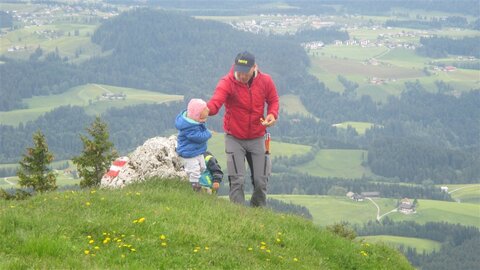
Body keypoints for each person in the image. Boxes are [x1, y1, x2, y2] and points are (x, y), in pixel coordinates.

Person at [207, 51, 279, 207]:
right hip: (234, 138)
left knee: (261, 180)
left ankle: (257, 212)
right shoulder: (227, 82)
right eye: (239, 71)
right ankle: (238, 214)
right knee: (237, 179)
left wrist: (272, 114)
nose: (241, 75)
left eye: (245, 72)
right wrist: (207, 110)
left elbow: (273, 100)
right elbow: (216, 101)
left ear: (254, 67)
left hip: (258, 137)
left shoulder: (265, 81)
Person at [175, 98, 216, 192]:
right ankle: (194, 185)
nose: (204, 120)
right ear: (196, 115)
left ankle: (192, 180)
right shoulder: (188, 127)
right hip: (188, 153)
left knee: (202, 167)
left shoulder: (194, 123)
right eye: (202, 118)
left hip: (197, 151)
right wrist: (208, 133)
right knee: (194, 169)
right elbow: (198, 137)